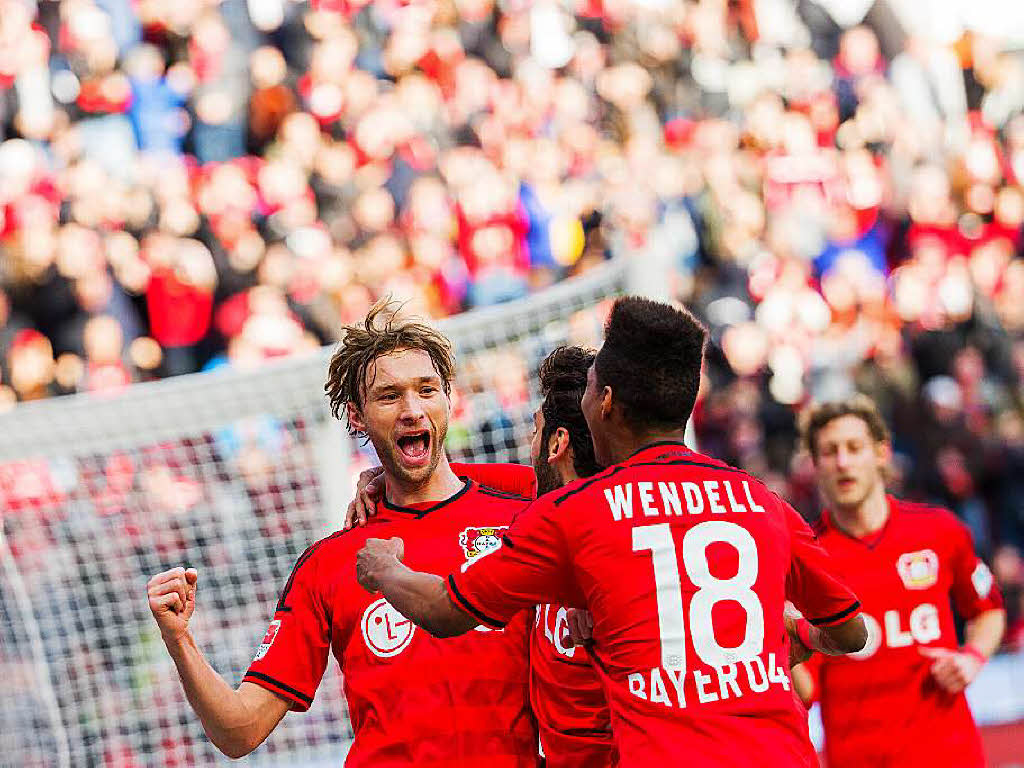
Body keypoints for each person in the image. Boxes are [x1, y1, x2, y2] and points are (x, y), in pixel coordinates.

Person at [354, 295, 867, 768]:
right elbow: (851, 632)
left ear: (604, 401)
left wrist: (383, 569)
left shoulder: (573, 516)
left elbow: (445, 612)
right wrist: (802, 633)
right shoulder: (760, 501)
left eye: (592, 382)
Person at [146, 299, 539, 764]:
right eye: (390, 396)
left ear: (449, 399)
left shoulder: (525, 520)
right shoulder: (329, 564)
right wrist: (180, 640)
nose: (412, 409)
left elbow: (575, 485)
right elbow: (241, 730)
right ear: (356, 416)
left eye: (427, 390)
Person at [345, 345, 615, 767]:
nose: (529, 444)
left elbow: (444, 609)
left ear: (556, 445)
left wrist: (383, 570)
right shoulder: (551, 513)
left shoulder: (553, 551)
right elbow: (480, 482)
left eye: (534, 431)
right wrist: (389, 474)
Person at [789, 396, 1006, 768]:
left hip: (951, 755)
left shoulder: (939, 530)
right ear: (814, 464)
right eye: (829, 452)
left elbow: (989, 610)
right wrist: (784, 632)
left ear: (881, 453)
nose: (843, 462)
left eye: (854, 448)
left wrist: (971, 658)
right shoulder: (804, 557)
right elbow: (806, 689)